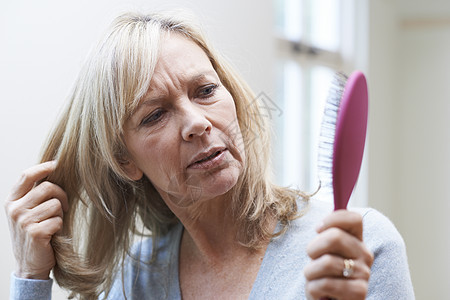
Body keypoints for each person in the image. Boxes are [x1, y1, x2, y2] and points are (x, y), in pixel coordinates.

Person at [5, 11, 414, 300]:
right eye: (155, 115)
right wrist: (30, 278)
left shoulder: (361, 246)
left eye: (205, 91)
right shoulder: (136, 282)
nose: (197, 122)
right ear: (125, 161)